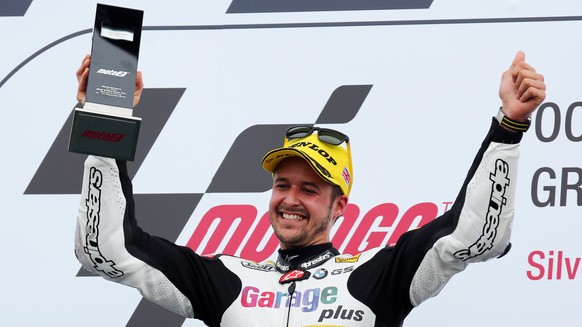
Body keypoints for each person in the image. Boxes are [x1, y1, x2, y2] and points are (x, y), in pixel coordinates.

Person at [74, 51, 546, 326]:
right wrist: (106, 118)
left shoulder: (379, 276)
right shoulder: (227, 282)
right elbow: (106, 249)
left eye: (310, 189)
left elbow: (475, 235)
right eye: (282, 184)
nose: (291, 199)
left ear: (340, 205)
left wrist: (508, 127)